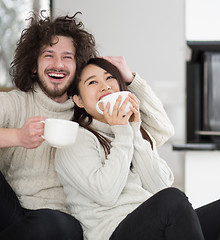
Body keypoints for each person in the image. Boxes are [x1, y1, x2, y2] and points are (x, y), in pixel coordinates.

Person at [0, 11, 174, 239]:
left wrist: (130, 80)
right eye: (48, 56)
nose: (58, 64)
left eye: (67, 57)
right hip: (12, 211)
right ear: (34, 65)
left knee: (63, 227)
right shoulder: (15, 103)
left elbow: (161, 130)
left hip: (63, 219)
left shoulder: (88, 110)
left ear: (78, 66)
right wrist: (16, 137)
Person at [54, 57, 220, 240]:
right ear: (79, 100)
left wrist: (134, 131)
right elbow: (106, 194)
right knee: (172, 200)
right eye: (93, 82)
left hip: (158, 227)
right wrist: (123, 133)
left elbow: (159, 187)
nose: (105, 86)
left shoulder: (132, 130)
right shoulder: (76, 139)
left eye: (110, 78)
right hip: (115, 233)